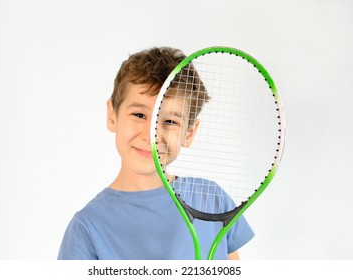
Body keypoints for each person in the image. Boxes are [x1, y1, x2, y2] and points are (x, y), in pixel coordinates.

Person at [57, 47, 254, 260]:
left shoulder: (211, 199)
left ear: (189, 133)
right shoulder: (87, 227)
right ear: (112, 116)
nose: (152, 136)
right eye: (139, 115)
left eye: (170, 121)